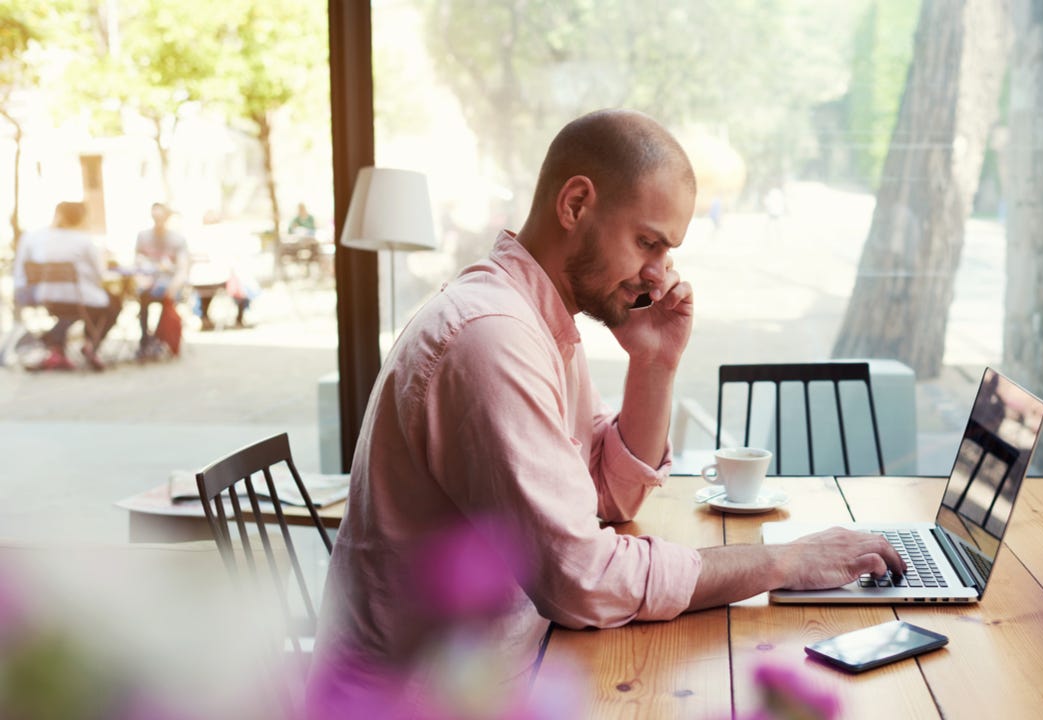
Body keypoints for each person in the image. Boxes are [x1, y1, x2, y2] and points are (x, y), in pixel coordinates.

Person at [312, 110, 904, 701]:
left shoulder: (536, 322)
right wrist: (783, 562)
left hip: (505, 674)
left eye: (666, 250)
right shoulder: (493, 339)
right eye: (647, 241)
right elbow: (582, 578)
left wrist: (654, 364)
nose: (658, 273)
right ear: (574, 205)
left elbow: (607, 493)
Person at [12, 201, 122, 371]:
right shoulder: (85, 241)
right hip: (80, 299)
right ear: (81, 219)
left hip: (46, 297)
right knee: (112, 303)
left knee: (75, 310)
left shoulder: (41, 239)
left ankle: (55, 346)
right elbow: (99, 274)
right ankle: (90, 345)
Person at [133, 202, 189, 357]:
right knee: (143, 296)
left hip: (169, 286)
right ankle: (145, 340)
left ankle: (159, 339)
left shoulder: (177, 239)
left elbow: (182, 270)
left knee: (162, 293)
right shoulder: (143, 237)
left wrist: (173, 287)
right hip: (148, 283)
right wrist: (140, 279)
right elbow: (136, 263)